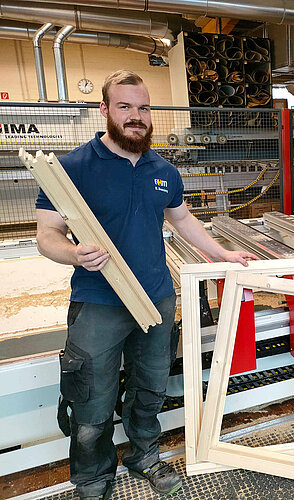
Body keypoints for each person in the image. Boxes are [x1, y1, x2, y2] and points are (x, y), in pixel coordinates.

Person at [35, 69, 259, 500]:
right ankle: (93, 477)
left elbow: (182, 219)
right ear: (104, 110)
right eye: (124, 107)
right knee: (91, 398)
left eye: (143, 107)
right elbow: (47, 234)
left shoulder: (164, 170)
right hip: (98, 300)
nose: (135, 116)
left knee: (151, 386)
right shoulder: (72, 168)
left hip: (156, 297)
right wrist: (73, 253)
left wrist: (223, 254)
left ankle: (143, 456)